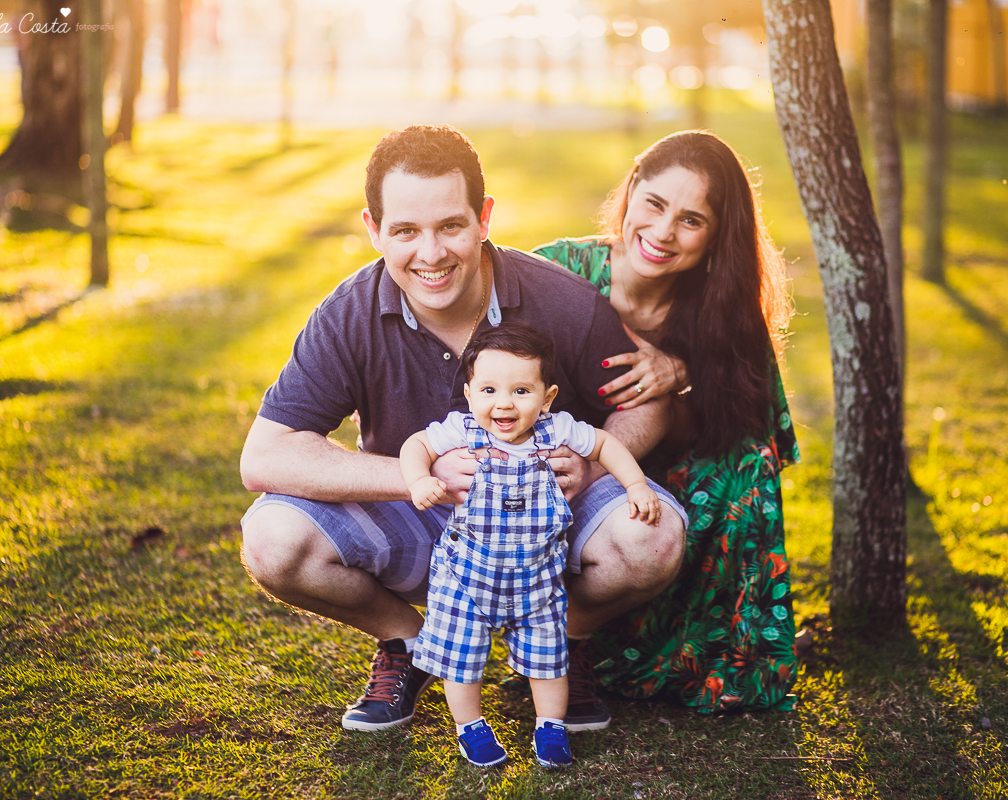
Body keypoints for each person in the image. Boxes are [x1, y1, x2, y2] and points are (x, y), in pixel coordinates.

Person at [238, 125, 687, 737]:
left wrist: (597, 464)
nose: (431, 253)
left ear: (485, 218)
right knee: (272, 538)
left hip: (548, 517)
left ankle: (563, 639)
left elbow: (647, 401)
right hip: (422, 515)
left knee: (653, 541)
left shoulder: (563, 301)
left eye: (450, 225)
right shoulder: (347, 315)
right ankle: (414, 643)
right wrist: (413, 475)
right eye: (404, 231)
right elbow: (264, 456)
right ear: (373, 229)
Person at [532, 130, 800, 714]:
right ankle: (556, 639)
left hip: (660, 469)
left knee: (750, 465)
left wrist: (680, 370)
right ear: (630, 191)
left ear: (715, 237)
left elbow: (745, 421)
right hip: (555, 464)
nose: (661, 233)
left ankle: (699, 658)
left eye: (691, 220)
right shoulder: (555, 272)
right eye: (653, 204)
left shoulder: (721, 306)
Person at [401, 323, 661, 768]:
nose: (503, 402)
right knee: (461, 661)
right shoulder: (461, 431)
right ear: (469, 394)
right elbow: (416, 445)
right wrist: (419, 478)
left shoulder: (556, 430)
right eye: (488, 389)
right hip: (467, 579)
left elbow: (605, 443)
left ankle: (550, 726)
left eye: (521, 391)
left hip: (537, 581)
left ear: (547, 397)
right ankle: (471, 728)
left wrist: (635, 484)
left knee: (549, 661)